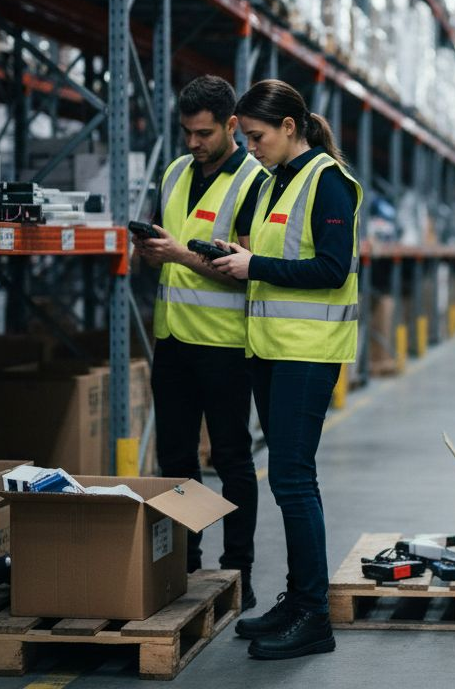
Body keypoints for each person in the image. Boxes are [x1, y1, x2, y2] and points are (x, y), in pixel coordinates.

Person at [209, 79, 361, 661]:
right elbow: (277, 259)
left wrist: (256, 266)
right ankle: (298, 600)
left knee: (294, 480)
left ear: (289, 127)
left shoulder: (327, 181)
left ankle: (314, 615)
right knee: (287, 478)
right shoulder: (278, 180)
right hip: (272, 350)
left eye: (257, 136)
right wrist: (239, 259)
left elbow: (332, 267)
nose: (250, 148)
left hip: (308, 351)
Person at [133, 75, 265, 611]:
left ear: (232, 125)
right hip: (173, 340)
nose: (193, 142)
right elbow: (168, 251)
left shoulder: (254, 180)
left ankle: (238, 573)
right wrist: (152, 253)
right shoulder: (173, 172)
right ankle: (183, 566)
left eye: (204, 133)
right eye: (187, 132)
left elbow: (246, 271)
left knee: (232, 458)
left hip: (225, 345)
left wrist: (179, 255)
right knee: (176, 460)